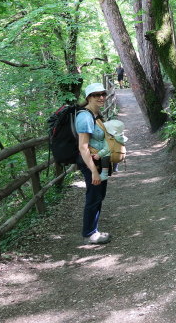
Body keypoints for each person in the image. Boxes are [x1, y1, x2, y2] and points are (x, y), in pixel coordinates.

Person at [76, 82, 112, 244]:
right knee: (94, 196)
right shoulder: (85, 117)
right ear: (89, 97)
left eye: (103, 94)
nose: (101, 97)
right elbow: (83, 148)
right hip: (90, 163)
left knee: (98, 196)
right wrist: (94, 171)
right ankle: (89, 233)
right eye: (96, 95)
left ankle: (93, 230)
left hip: (98, 160)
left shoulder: (96, 114)